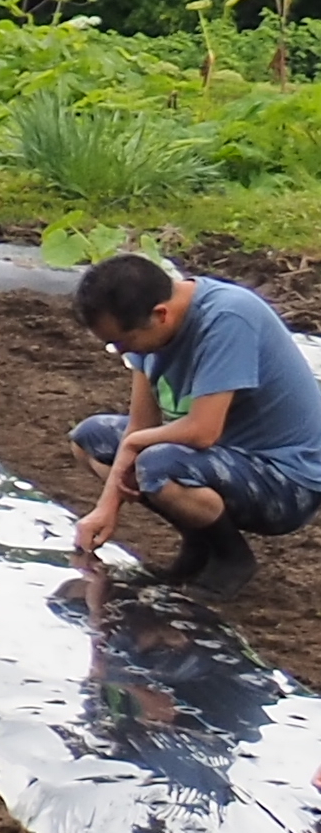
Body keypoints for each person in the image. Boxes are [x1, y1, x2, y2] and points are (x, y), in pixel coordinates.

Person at [65, 251, 321, 602]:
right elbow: (142, 424)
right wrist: (105, 507)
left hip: (286, 481)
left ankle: (232, 557)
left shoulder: (227, 319)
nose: (121, 351)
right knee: (90, 438)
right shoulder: (148, 329)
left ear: (160, 315)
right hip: (222, 460)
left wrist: (133, 447)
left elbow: (202, 431)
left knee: (157, 462)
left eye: (123, 343)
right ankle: (200, 543)